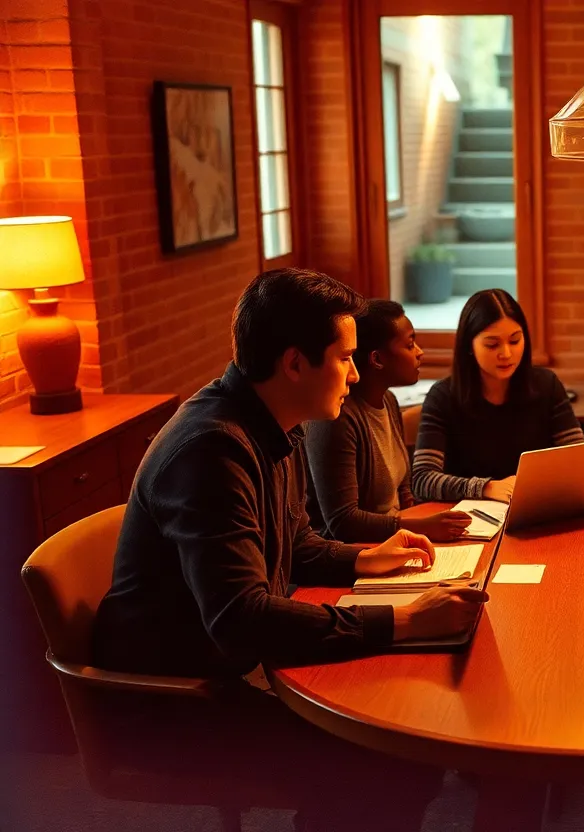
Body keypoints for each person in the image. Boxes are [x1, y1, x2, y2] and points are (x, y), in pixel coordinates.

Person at [92, 268, 489, 832]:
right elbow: (240, 620)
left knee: (403, 730)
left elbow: (293, 540)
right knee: (395, 753)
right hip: (181, 703)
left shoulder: (274, 420)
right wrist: (401, 620)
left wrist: (360, 558)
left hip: (222, 670)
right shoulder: (211, 452)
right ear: (295, 362)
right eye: (346, 357)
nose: (356, 373)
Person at [305, 299, 472, 543]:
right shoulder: (337, 418)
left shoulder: (389, 401)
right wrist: (420, 527)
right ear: (377, 359)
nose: (420, 352)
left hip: (396, 542)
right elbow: (342, 521)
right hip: (354, 554)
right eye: (410, 344)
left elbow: (403, 490)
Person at [412, 288, 584, 502]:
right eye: (492, 344)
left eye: (515, 341)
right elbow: (422, 480)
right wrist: (486, 488)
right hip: (468, 522)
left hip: (533, 510)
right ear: (469, 346)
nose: (506, 353)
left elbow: (580, 460)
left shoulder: (546, 385)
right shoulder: (443, 397)